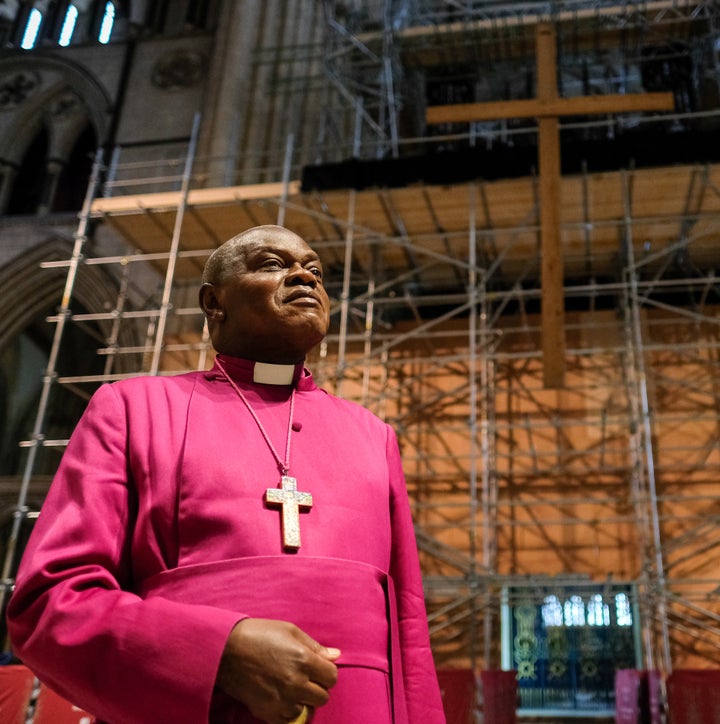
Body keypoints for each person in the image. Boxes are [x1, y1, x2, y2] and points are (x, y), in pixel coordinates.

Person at [6, 225, 446, 724]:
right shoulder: (133, 409)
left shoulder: (373, 436)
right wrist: (217, 652)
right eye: (273, 264)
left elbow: (408, 629)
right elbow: (50, 604)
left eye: (316, 271)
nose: (304, 275)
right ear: (214, 302)